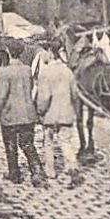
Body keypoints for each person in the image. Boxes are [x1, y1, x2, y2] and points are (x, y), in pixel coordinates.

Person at [0, 43, 46, 186]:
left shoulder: (6, 72)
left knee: (10, 144)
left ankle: (14, 174)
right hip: (28, 114)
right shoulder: (27, 70)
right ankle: (37, 172)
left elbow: (1, 95)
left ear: (9, 53)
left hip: (10, 115)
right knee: (28, 143)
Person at [33, 47, 82, 187]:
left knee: (48, 142)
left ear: (50, 52)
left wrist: (40, 111)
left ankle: (50, 172)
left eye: (44, 52)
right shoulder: (68, 72)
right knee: (65, 142)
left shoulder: (45, 73)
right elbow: (75, 95)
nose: (43, 56)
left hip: (50, 115)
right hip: (66, 114)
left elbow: (44, 98)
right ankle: (72, 166)